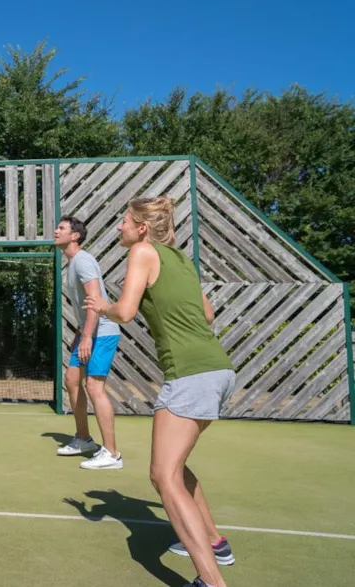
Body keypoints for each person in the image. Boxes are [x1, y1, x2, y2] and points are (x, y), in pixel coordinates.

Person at [84, 195, 236, 587]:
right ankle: (216, 542)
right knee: (176, 466)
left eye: (123, 222)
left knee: (162, 475)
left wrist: (102, 306)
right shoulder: (182, 261)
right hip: (217, 368)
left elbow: (127, 311)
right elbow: (207, 313)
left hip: (189, 373)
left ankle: (211, 581)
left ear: (142, 228)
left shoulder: (142, 252)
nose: (119, 228)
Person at [54, 216, 123, 470]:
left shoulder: (83, 260)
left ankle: (112, 454)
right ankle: (84, 439)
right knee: (72, 381)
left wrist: (86, 337)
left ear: (75, 236)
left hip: (102, 332)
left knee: (94, 387)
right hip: (88, 331)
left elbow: (94, 299)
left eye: (61, 228)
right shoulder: (71, 264)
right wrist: (81, 334)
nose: (56, 231)